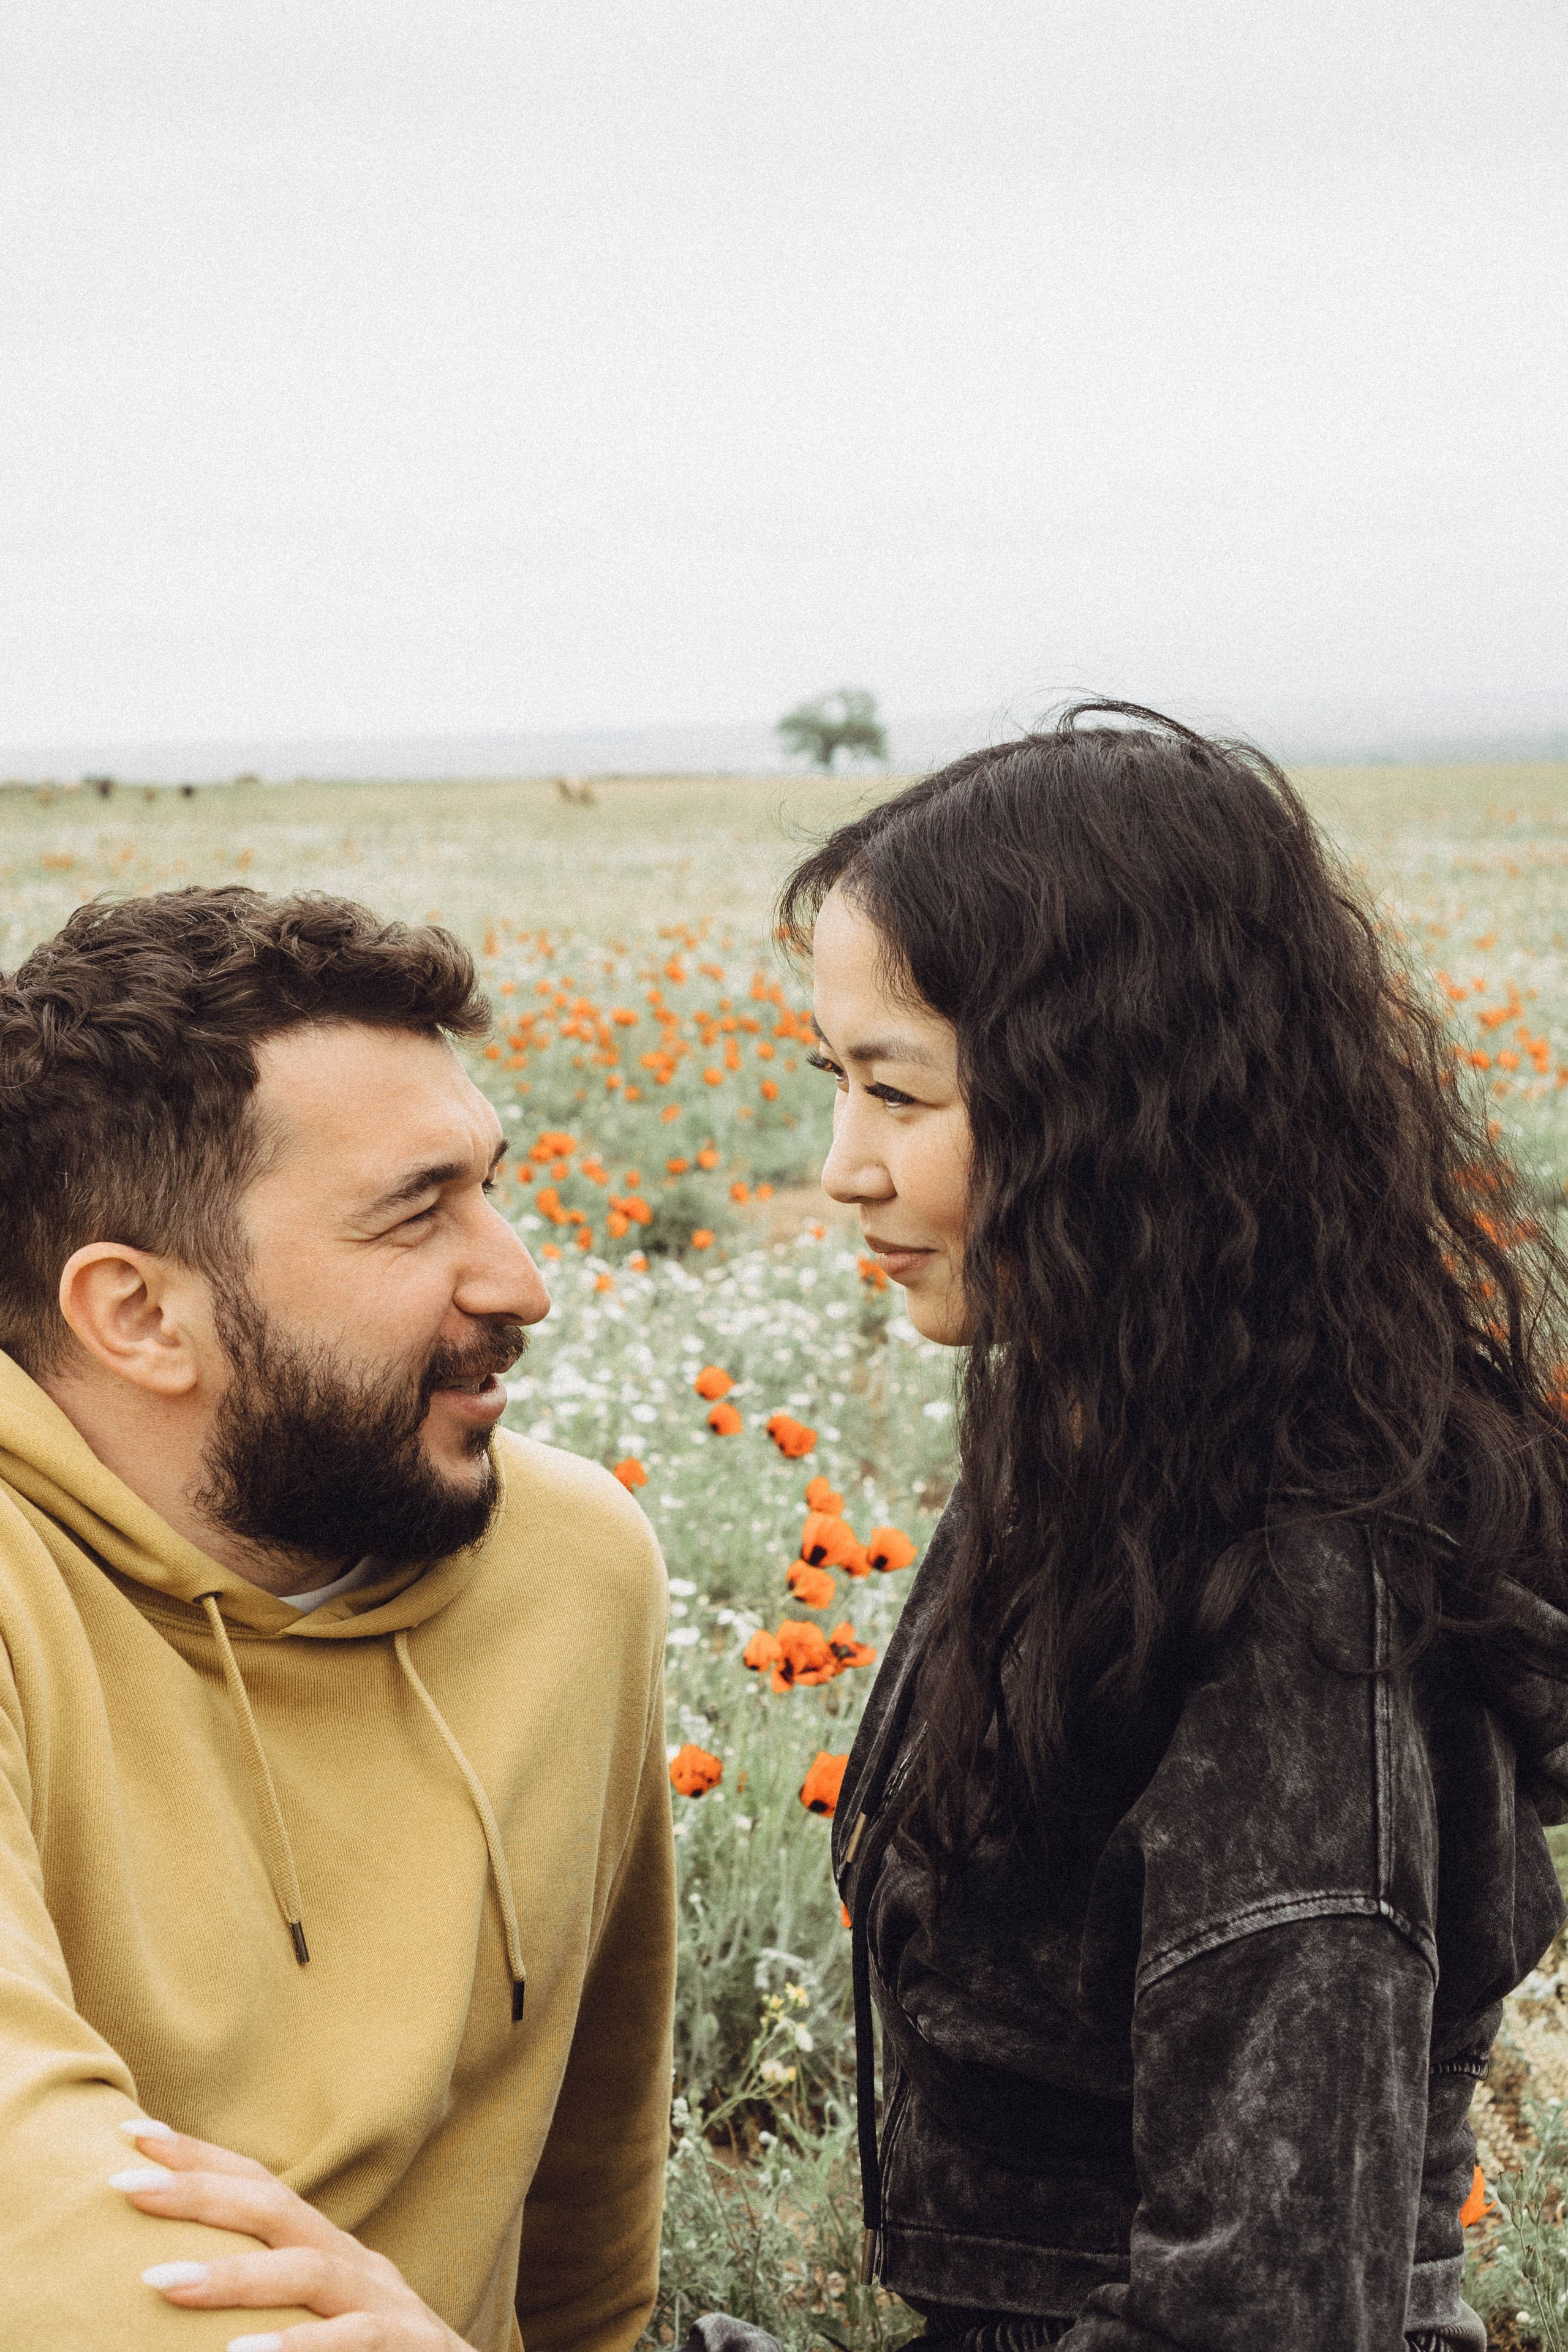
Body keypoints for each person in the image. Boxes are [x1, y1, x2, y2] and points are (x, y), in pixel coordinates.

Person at [775, 707, 1568, 2352]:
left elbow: (1264, 2318)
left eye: (895, 1092)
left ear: (1110, 1107)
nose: (842, 1167)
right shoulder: (1116, 1443)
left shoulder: (1299, 1605)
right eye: (832, 1082)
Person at [0, 888, 676, 2351]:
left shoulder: (574, 1565)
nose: (522, 1282)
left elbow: (590, 2210)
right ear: (139, 1316)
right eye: (415, 1213)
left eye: (489, 1187)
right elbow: (24, 2210)